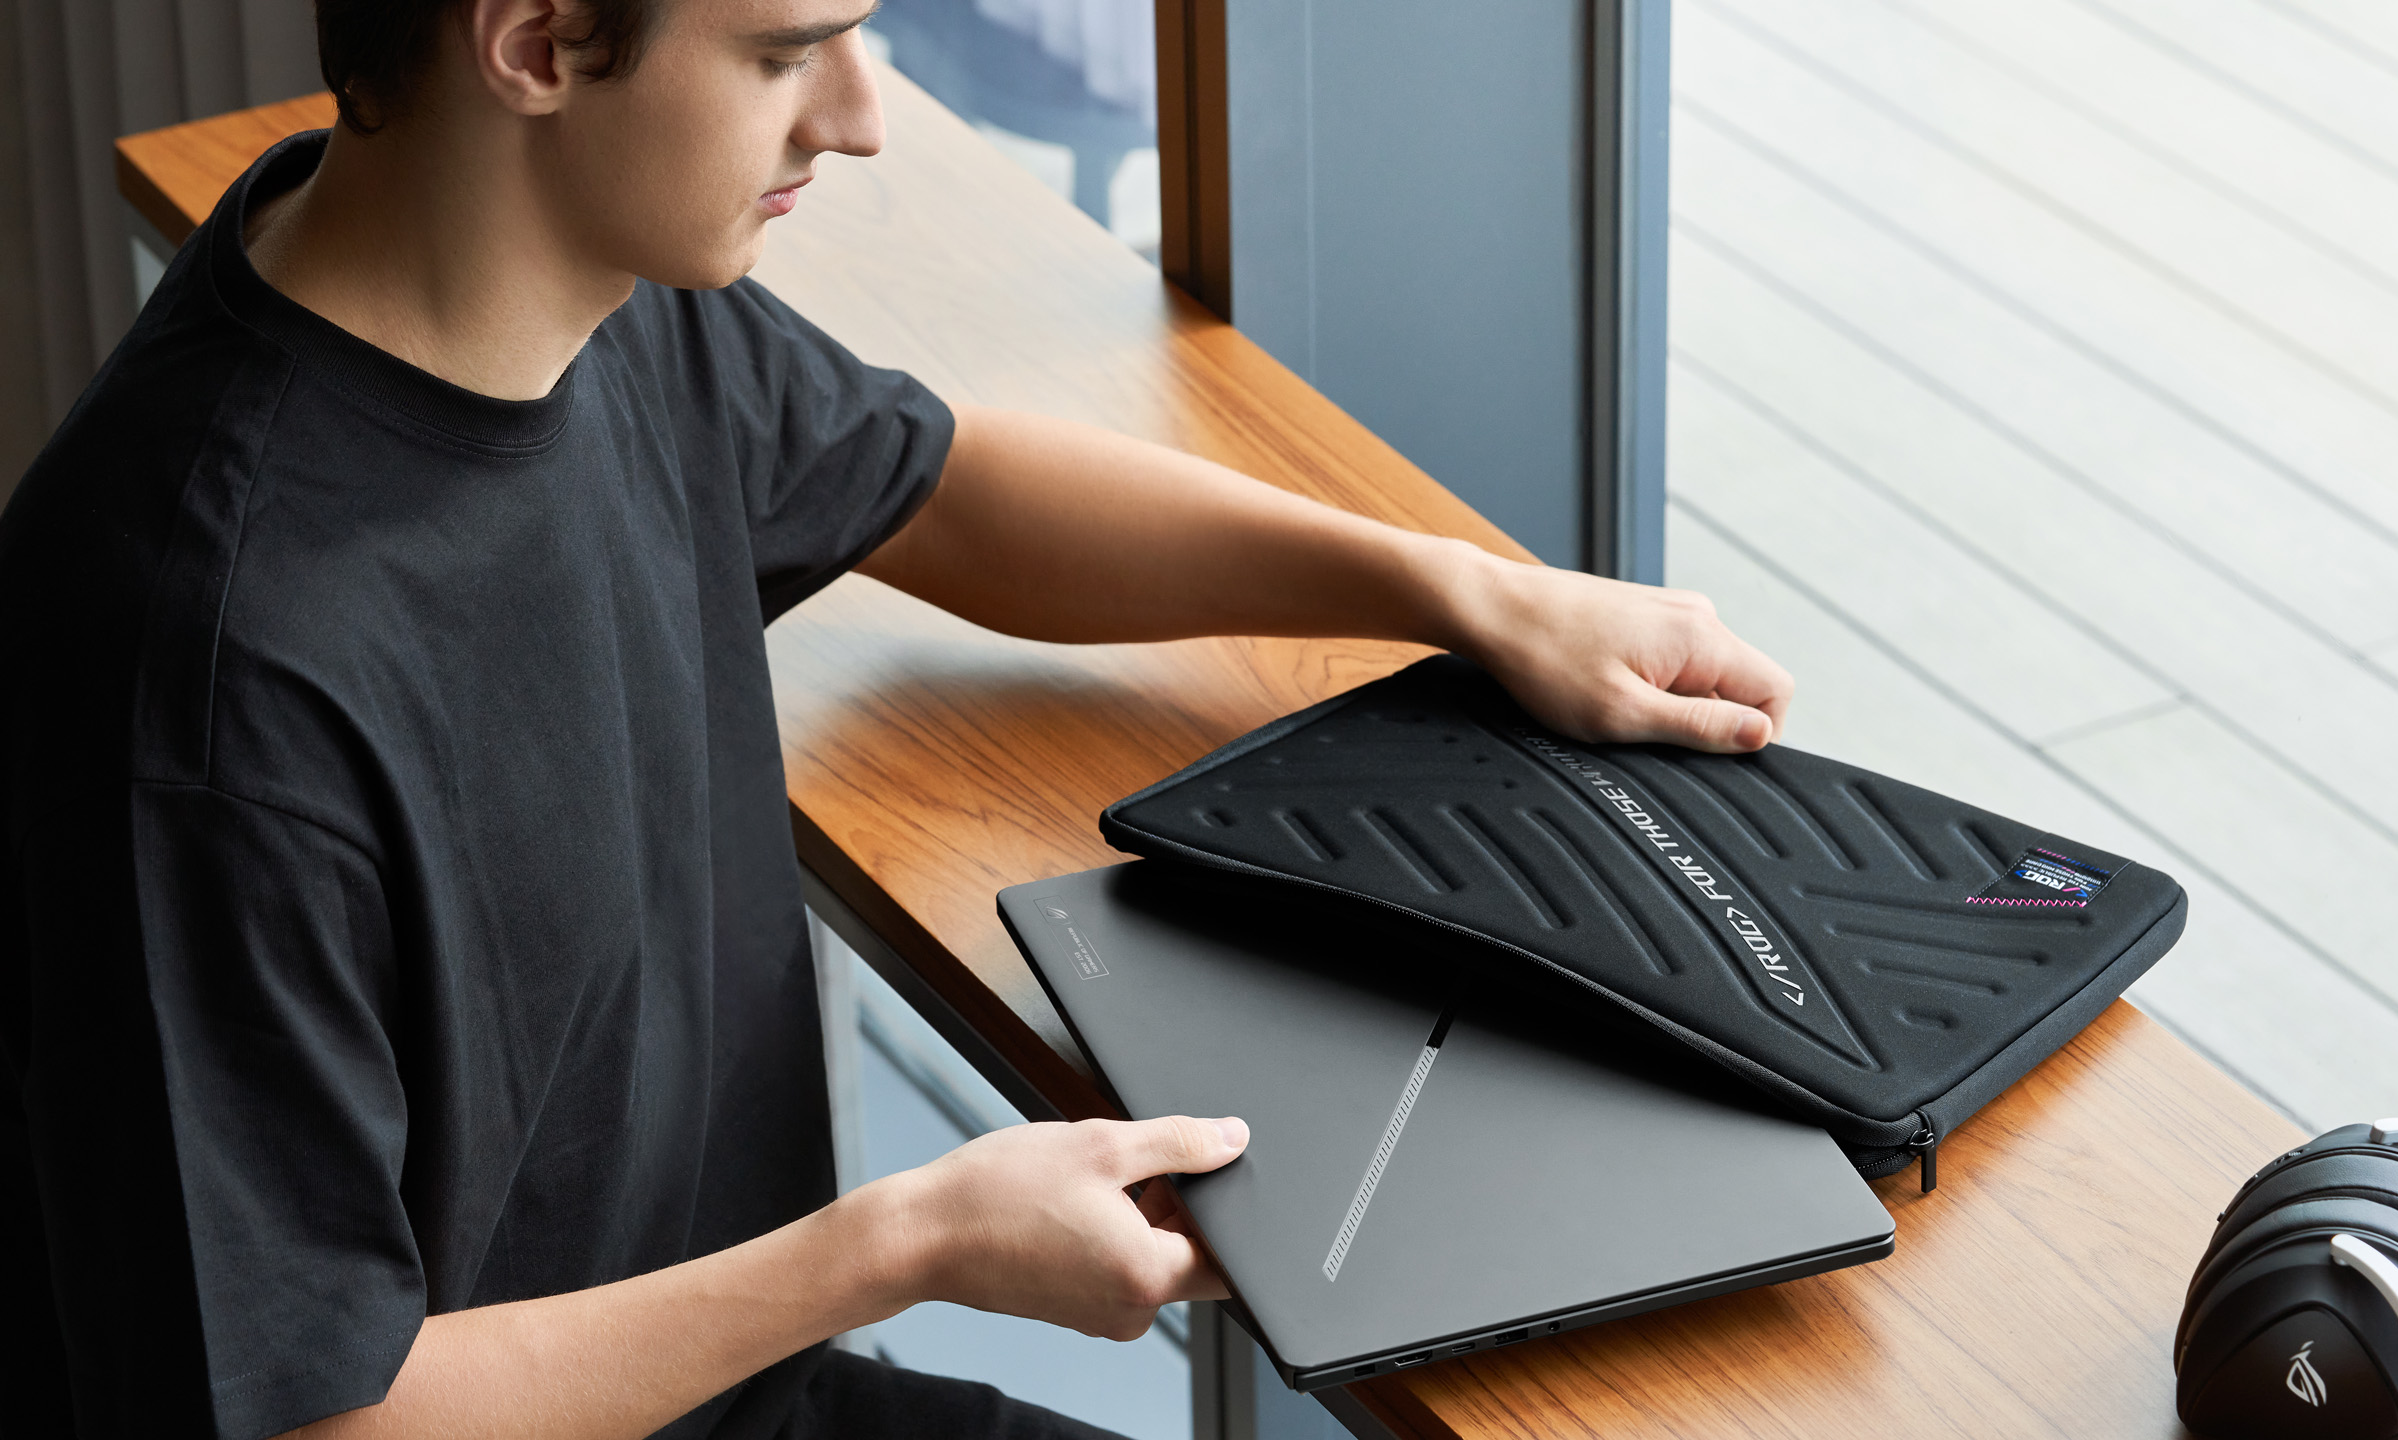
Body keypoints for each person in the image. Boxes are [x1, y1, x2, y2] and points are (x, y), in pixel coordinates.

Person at [0, 0, 1794, 1436]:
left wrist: (1465, 590)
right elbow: (318, 1418)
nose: (861, 118)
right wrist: (911, 1241)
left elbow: (941, 485)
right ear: (537, 43)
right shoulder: (206, 678)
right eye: (790, 52)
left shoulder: (580, 293)